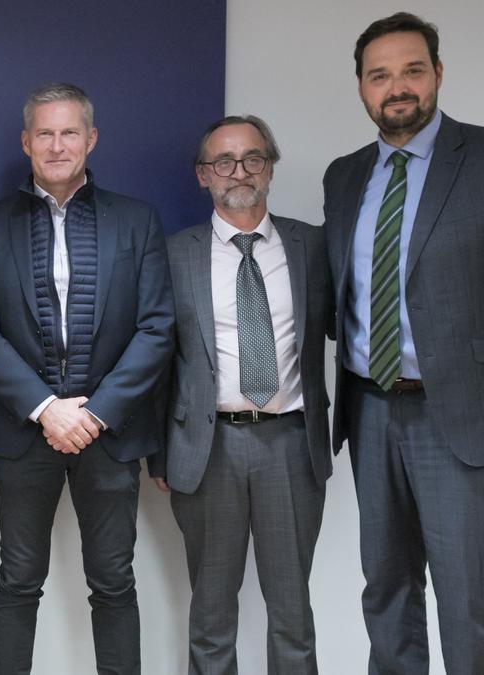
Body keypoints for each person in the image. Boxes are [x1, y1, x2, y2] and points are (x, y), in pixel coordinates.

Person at [0, 83, 174, 674]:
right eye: (45, 134)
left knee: (113, 582)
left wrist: (95, 412)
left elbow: (157, 328)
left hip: (110, 434)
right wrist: (46, 407)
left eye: (69, 132)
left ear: (91, 139)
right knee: (18, 582)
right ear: (26, 142)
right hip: (25, 434)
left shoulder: (137, 221)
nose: (57, 145)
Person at [323, 12, 484, 674]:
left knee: (469, 596)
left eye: (413, 70)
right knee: (386, 590)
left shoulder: (478, 158)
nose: (398, 87)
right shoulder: (344, 175)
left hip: (459, 415)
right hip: (370, 409)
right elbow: (345, 294)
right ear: (361, 87)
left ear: (439, 74)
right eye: (379, 74)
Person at [156, 115, 331, 674]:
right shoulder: (172, 254)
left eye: (252, 158)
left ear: (270, 167)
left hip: (291, 446)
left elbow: (348, 329)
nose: (240, 171)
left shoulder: (312, 246)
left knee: (292, 614)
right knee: (210, 616)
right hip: (208, 452)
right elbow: (157, 357)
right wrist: (159, 451)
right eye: (223, 162)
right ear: (203, 175)